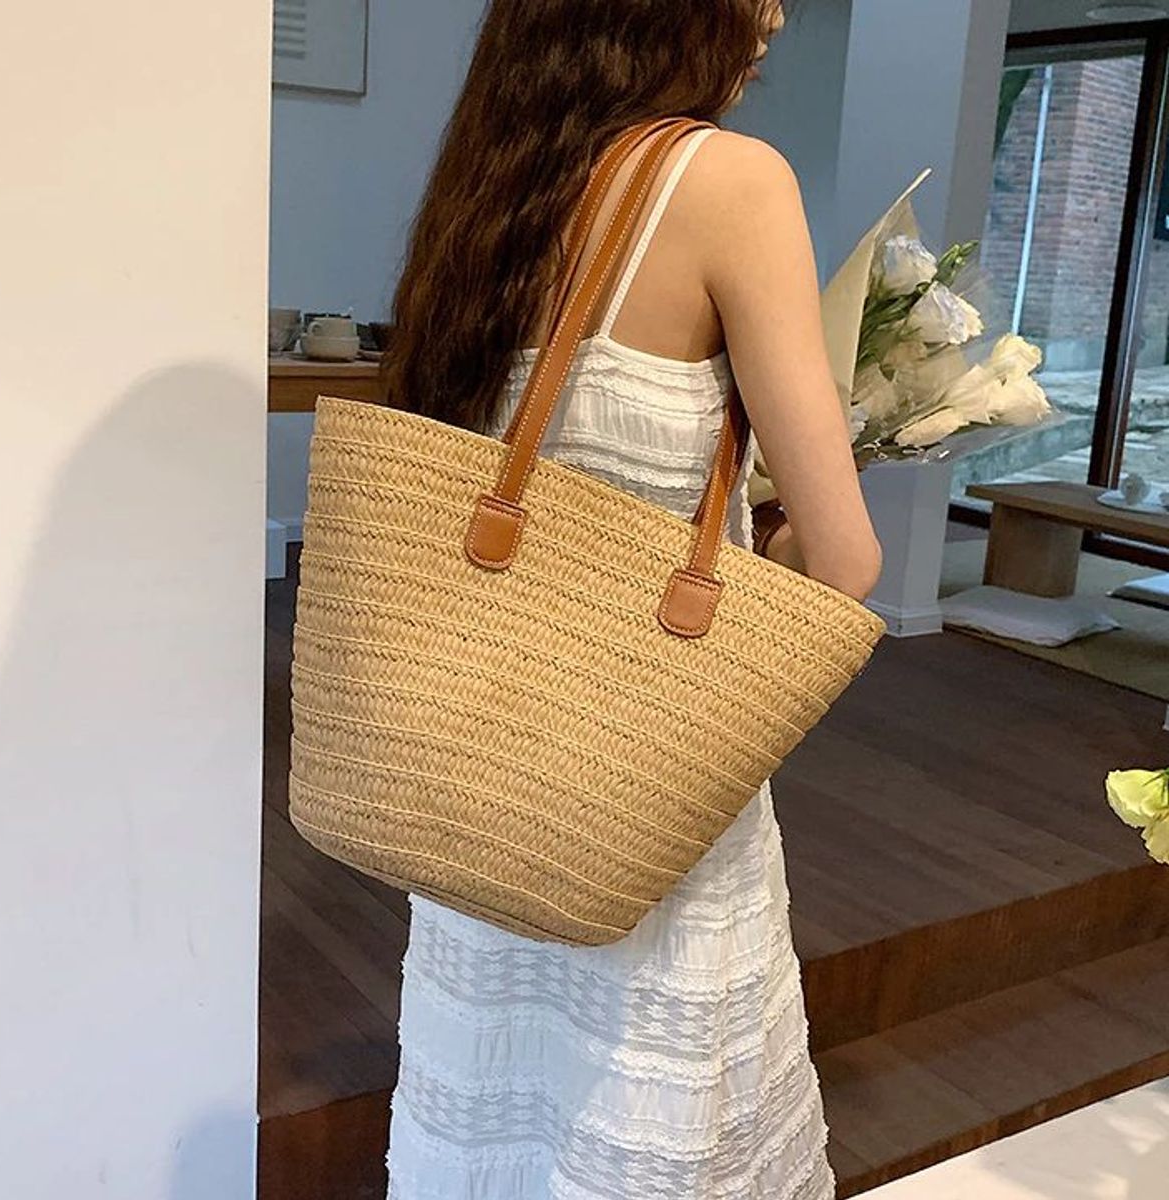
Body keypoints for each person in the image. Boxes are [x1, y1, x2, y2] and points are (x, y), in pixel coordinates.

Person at [380, 2, 882, 1196]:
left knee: (501, 1113)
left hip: (481, 771)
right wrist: (773, 530)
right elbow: (848, 562)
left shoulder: (492, 181)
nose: (775, 12)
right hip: (646, 773)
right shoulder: (731, 182)